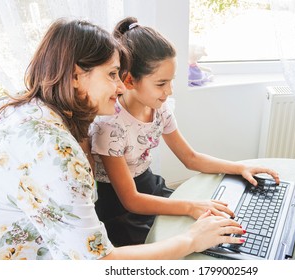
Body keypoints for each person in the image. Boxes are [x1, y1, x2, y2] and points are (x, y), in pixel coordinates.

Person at [0, 18, 246, 260]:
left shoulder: (28, 108)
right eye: (112, 75)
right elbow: (102, 262)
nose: (121, 86)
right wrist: (192, 239)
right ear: (76, 76)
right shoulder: (58, 153)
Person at [89, 17, 280, 246]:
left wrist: (240, 167)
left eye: (171, 81)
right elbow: (131, 200)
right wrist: (190, 206)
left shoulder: (160, 110)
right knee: (176, 242)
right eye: (161, 84)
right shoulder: (109, 126)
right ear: (129, 80)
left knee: (211, 224)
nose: (169, 91)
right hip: (121, 207)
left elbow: (190, 158)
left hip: (149, 186)